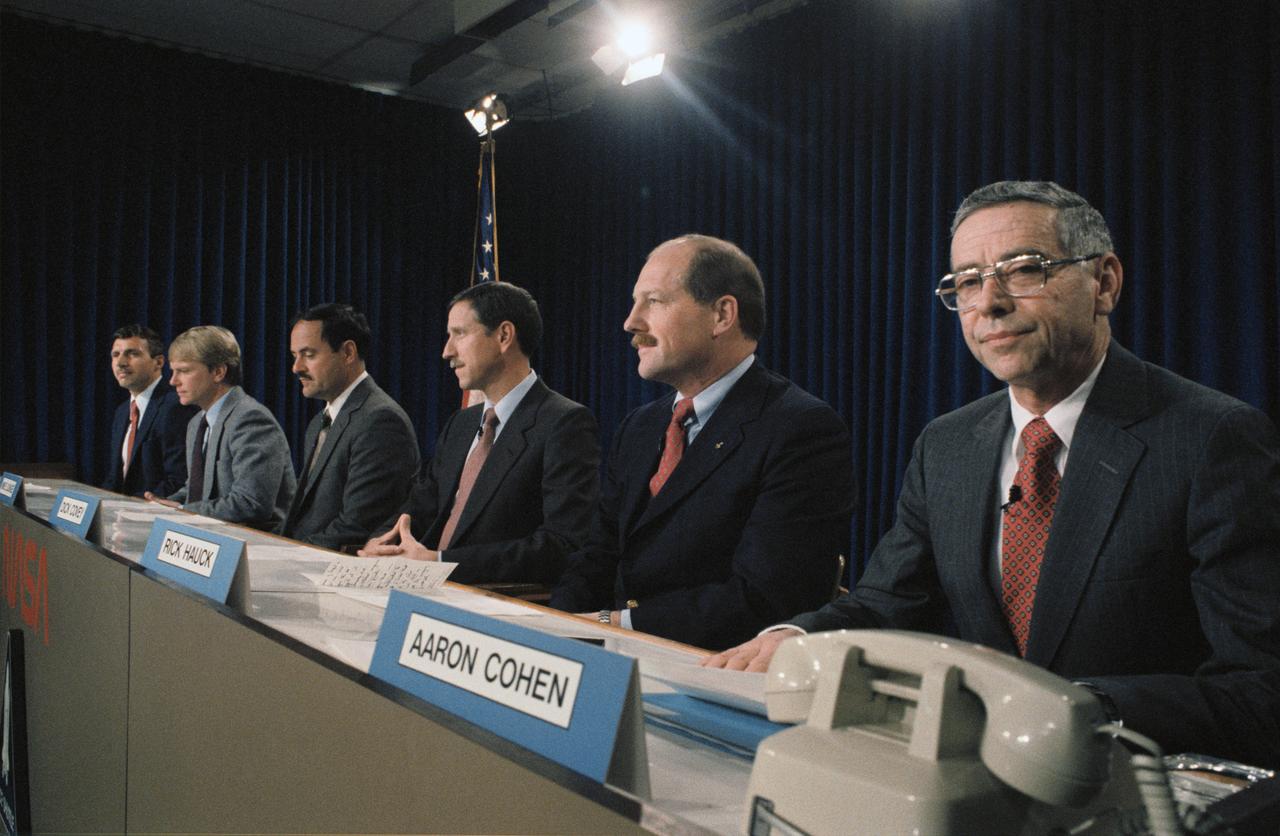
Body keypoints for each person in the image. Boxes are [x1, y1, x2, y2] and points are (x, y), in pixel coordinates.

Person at [705, 181, 1280, 768]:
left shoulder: (1212, 438)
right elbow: (885, 605)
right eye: (968, 281)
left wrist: (1072, 709)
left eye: (1025, 270)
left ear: (1104, 282)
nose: (990, 303)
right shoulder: (948, 444)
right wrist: (797, 639)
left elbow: (1260, 687)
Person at [550, 234, 853, 650]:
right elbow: (596, 555)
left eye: (653, 301)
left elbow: (764, 599)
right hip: (607, 658)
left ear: (722, 315)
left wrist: (611, 622)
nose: (631, 322)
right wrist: (553, 629)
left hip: (710, 673)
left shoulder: (801, 429)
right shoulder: (639, 427)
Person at [359, 282, 600, 585]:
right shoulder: (461, 424)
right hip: (423, 591)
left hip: (489, 601)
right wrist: (380, 543)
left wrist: (441, 563)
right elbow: (419, 506)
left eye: (459, 334)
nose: (447, 351)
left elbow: (561, 545)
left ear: (503, 336)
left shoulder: (564, 423)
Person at [279, 303, 419, 551]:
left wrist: (285, 555)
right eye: (294, 356)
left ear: (347, 352)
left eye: (308, 355)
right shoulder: (318, 423)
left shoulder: (381, 421)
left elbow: (355, 528)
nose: (296, 367)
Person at [145, 326, 296, 531]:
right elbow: (198, 490)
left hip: (254, 546)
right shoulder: (196, 422)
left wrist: (182, 510)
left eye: (184, 371)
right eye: (173, 371)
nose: (173, 381)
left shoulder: (250, 419)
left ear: (218, 372)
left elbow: (251, 503)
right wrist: (162, 506)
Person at [102, 324, 196, 497]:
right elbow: (115, 478)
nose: (121, 363)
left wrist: (129, 507)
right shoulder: (122, 411)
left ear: (159, 362)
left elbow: (179, 480)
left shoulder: (175, 407)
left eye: (133, 354)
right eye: (116, 355)